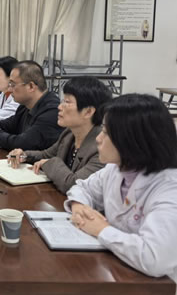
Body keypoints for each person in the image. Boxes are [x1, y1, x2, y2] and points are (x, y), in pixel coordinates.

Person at [66, 94, 177, 282]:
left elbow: (154, 259)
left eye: (106, 133)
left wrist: (101, 230)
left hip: (157, 285)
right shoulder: (116, 169)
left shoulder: (169, 189)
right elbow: (83, 188)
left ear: (133, 140)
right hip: (118, 269)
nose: (98, 139)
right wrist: (79, 207)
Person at [7, 76, 112, 194]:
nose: (59, 107)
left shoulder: (103, 147)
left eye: (67, 102)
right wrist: (24, 155)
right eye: (62, 101)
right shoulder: (69, 133)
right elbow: (46, 154)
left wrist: (50, 163)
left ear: (88, 112)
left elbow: (73, 184)